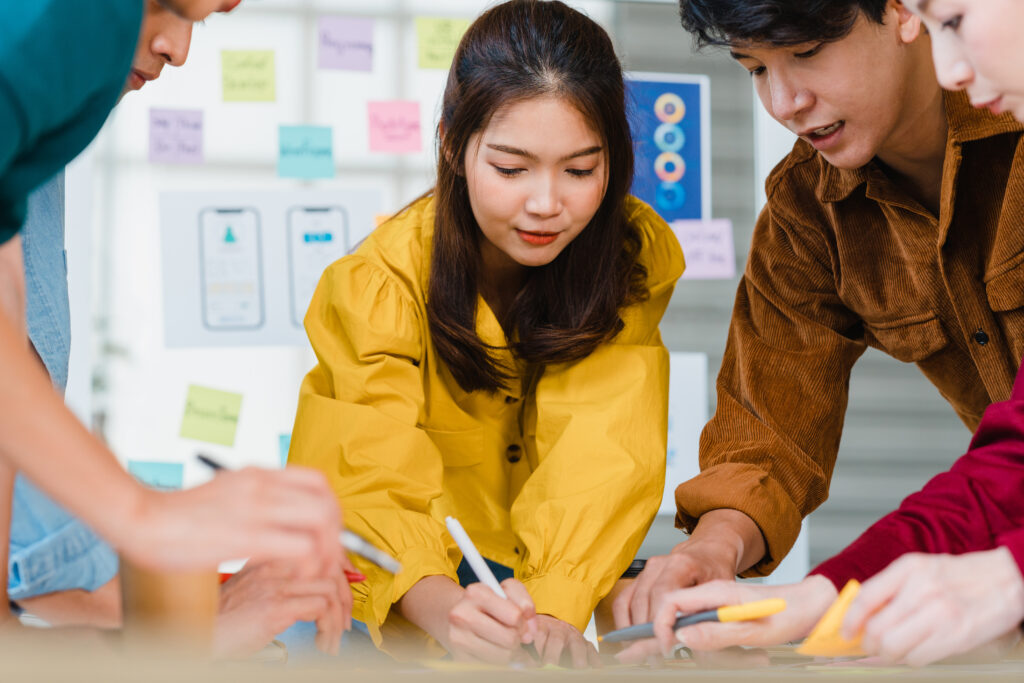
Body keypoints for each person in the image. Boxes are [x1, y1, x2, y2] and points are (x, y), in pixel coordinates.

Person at [617, 0, 1024, 669]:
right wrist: (720, 550)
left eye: (806, 53)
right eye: (753, 68)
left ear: (903, 12)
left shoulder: (1010, 96)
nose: (785, 101)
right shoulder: (804, 211)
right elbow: (769, 431)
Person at [289, 0, 684, 667]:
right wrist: (445, 607)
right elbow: (363, 472)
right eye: (511, 168)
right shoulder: (376, 281)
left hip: (540, 589)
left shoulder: (629, 257)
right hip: (395, 598)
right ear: (451, 142)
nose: (545, 202)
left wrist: (556, 604)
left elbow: (605, 445)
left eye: (581, 170)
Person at [4, 0, 354, 657]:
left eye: (205, 18)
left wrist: (191, 628)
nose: (180, 49)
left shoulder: (31, 149)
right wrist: (149, 524)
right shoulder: (42, 32)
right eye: (167, 5)